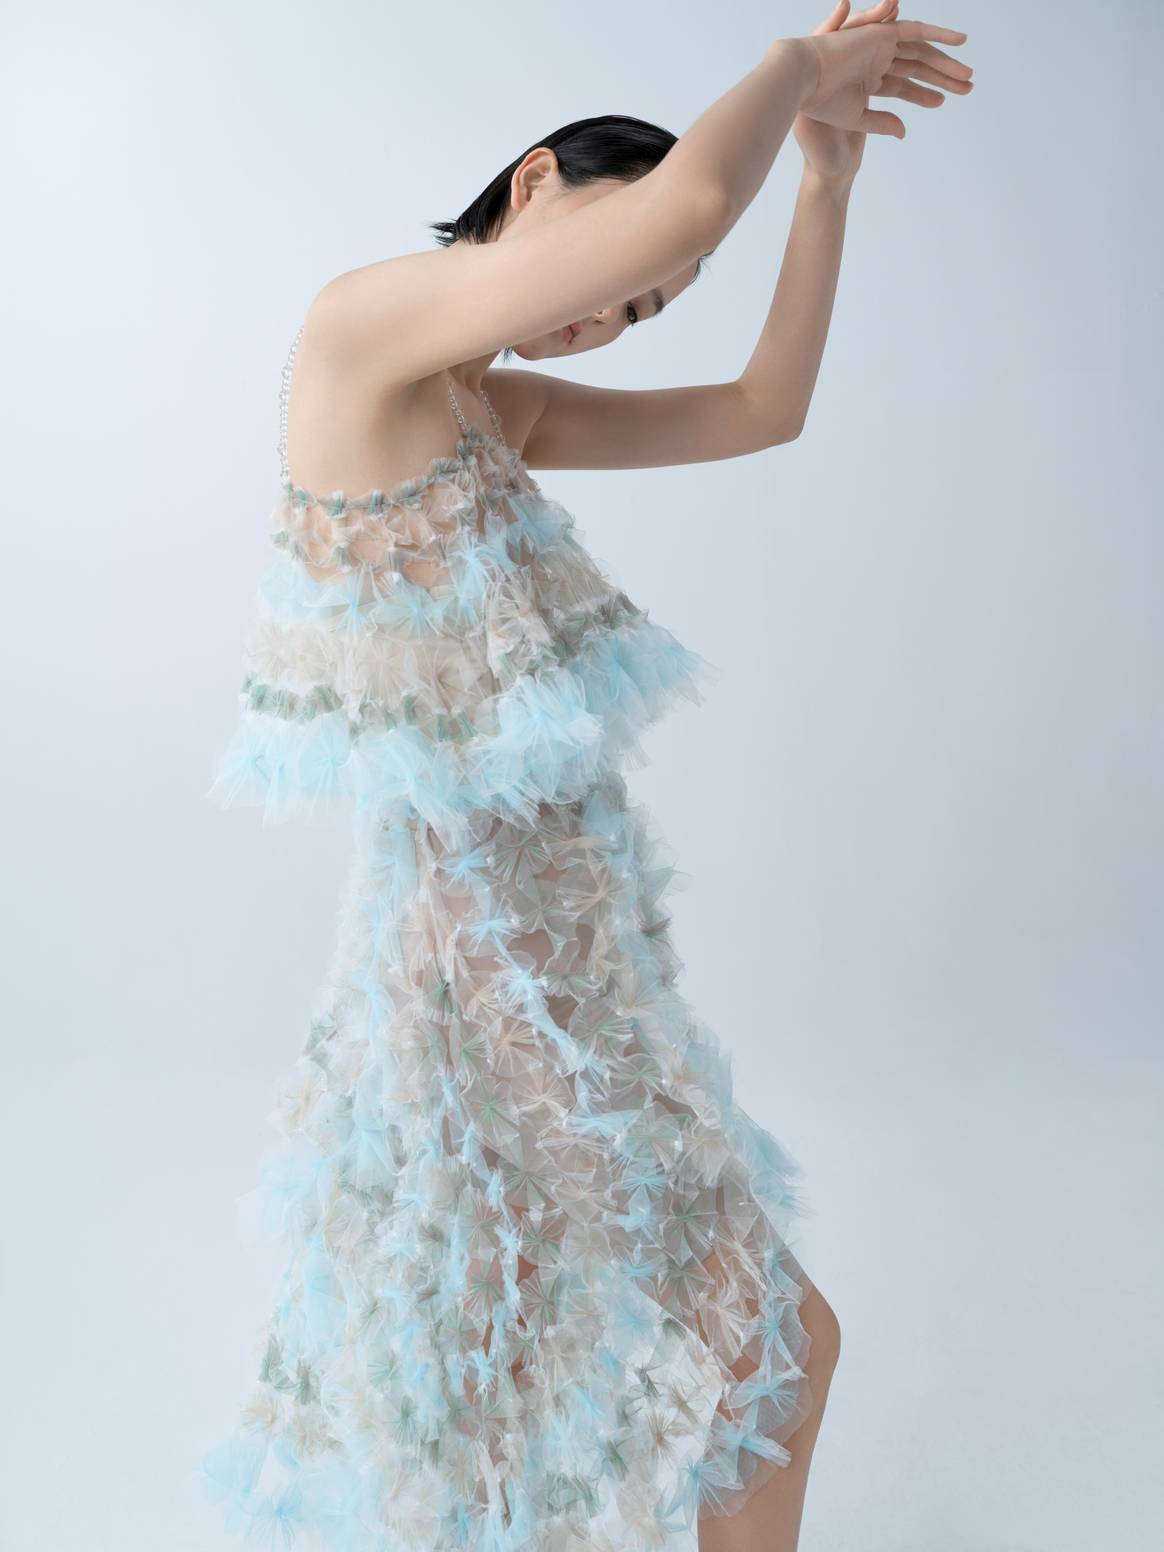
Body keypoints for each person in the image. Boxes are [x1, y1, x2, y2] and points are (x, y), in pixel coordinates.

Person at [199, 5, 974, 1549]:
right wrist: (797, 68)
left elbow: (761, 409)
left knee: (669, 1369)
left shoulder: (486, 407)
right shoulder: (360, 330)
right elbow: (687, 205)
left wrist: (826, 177)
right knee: (739, 1352)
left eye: (639, 316)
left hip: (566, 973)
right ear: (538, 178)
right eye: (614, 279)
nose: (607, 320)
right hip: (484, 988)